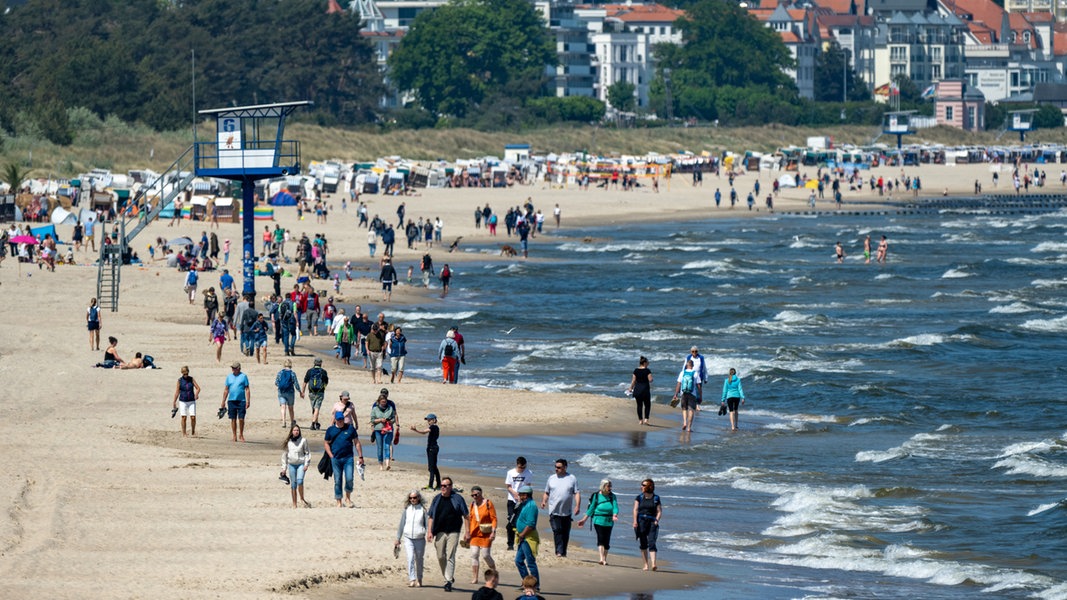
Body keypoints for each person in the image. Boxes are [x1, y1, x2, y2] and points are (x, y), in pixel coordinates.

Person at [427, 476, 469, 593]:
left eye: (446, 486)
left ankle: (448, 581)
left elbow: (466, 515)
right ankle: (448, 576)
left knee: (450, 555)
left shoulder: (458, 498)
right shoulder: (436, 499)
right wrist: (429, 531)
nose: (443, 488)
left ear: (451, 487)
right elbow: (431, 516)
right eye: (442, 486)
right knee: (440, 556)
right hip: (439, 531)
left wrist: (467, 532)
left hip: (453, 531)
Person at [324, 410, 365, 508]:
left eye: (342, 419)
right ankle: (339, 500)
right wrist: (331, 455)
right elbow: (326, 443)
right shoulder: (330, 430)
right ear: (335, 420)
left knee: (349, 478)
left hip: (348, 458)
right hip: (336, 458)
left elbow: (357, 443)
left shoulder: (350, 428)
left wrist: (360, 456)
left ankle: (348, 497)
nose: (340, 421)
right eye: (338, 420)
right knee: (338, 480)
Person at [541, 458, 580, 557]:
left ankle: (563, 552)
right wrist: (544, 501)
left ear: (565, 467)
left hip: (566, 511)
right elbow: (547, 492)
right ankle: (558, 552)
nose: (556, 469)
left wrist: (577, 505)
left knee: (565, 533)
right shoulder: (551, 478)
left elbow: (576, 493)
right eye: (555, 467)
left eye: (559, 467)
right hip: (554, 510)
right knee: (557, 530)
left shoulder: (572, 478)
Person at [576, 479, 619, 565]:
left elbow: (615, 507)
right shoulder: (596, 496)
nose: (610, 488)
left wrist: (615, 514)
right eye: (608, 486)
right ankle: (601, 558)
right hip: (598, 519)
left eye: (610, 486)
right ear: (603, 486)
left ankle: (604, 558)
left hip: (609, 520)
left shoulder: (612, 496)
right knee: (601, 538)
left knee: (607, 540)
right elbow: (591, 509)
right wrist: (584, 520)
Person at [396, 489, 429, 587]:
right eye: (410, 498)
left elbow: (427, 524)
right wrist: (398, 538)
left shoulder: (423, 510)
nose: (412, 500)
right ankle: (412, 579)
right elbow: (401, 524)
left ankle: (419, 578)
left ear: (418, 498)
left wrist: (429, 534)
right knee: (410, 558)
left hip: (420, 538)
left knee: (419, 559)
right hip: (408, 537)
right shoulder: (406, 510)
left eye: (414, 498)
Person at [465, 485, 497, 585]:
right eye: (473, 495)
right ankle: (475, 578)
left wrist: (493, 531)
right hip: (474, 534)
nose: (475, 497)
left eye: (476, 494)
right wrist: (467, 533)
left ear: (481, 493)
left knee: (486, 555)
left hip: (486, 533)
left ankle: (494, 573)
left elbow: (494, 518)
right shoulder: (472, 505)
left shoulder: (488, 503)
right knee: (474, 555)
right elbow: (469, 519)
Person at [512, 485, 540, 588]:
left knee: (530, 562)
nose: (519, 496)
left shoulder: (531, 506)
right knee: (518, 561)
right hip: (522, 537)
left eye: (520, 494)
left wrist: (522, 535)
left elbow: (531, 525)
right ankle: (527, 583)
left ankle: (535, 586)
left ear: (526, 495)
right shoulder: (524, 504)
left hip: (528, 538)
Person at [633, 478, 662, 571]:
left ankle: (654, 564)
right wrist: (635, 521)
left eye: (643, 485)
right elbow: (635, 510)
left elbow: (659, 511)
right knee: (643, 543)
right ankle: (645, 564)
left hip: (652, 522)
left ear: (649, 486)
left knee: (652, 542)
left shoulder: (656, 498)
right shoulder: (639, 497)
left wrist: (657, 520)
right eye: (642, 485)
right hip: (641, 521)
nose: (641, 486)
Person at [282, 424, 312, 508]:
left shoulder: (303, 440)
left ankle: (302, 498)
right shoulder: (288, 442)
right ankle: (294, 503)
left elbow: (307, 453)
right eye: (294, 430)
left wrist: (306, 464)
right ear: (291, 432)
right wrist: (284, 468)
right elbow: (284, 456)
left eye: (297, 430)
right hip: (291, 465)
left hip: (301, 464)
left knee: (300, 481)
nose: (296, 432)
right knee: (293, 484)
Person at [221, 361, 251, 443]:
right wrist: (223, 401)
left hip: (242, 400)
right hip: (231, 400)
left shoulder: (243, 376)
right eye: (232, 368)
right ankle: (234, 435)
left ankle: (241, 434)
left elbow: (247, 389)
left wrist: (248, 401)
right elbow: (226, 390)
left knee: (241, 418)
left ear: (238, 369)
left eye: (234, 368)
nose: (233, 370)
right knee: (233, 419)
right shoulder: (229, 377)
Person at [410, 413, 441, 491]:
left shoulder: (433, 427)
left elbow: (424, 432)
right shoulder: (435, 427)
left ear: (434, 420)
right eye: (428, 420)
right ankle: (438, 485)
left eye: (430, 420)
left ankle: (431, 486)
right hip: (433, 448)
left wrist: (415, 430)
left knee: (431, 468)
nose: (428, 421)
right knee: (434, 467)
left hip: (432, 448)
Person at [172, 366, 201, 437]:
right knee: (184, 417)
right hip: (183, 401)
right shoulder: (179, 381)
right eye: (184, 374)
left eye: (187, 373)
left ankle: (193, 431)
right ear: (182, 373)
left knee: (193, 417)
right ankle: (184, 433)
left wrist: (196, 394)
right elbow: (177, 392)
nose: (186, 375)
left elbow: (198, 388)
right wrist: (174, 402)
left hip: (191, 401)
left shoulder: (191, 379)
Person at [672, 358, 700, 432]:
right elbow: (698, 386)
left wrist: (675, 394)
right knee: (691, 410)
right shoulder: (695, 373)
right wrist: (700, 394)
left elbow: (679, 383)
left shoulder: (682, 372)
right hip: (692, 394)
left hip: (683, 393)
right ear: (692, 366)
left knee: (684, 409)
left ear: (687, 365)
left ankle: (684, 422)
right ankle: (689, 427)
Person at [371, 393, 397, 470]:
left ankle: (387, 464)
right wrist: (380, 420)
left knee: (387, 446)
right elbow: (372, 420)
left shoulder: (390, 408)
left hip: (388, 430)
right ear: (379, 402)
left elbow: (393, 418)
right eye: (382, 402)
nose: (384, 403)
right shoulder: (375, 409)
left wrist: (390, 421)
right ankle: (381, 464)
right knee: (380, 447)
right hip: (378, 430)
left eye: (385, 402)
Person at [302, 357, 329, 430]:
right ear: (321, 363)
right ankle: (313, 423)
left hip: (311, 392)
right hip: (320, 392)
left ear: (314, 363)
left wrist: (303, 392)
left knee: (314, 408)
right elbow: (326, 382)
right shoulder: (323, 372)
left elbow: (305, 382)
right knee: (317, 408)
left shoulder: (309, 371)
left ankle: (316, 423)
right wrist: (323, 387)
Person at [628, 356, 653, 425]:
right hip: (645, 389)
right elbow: (650, 380)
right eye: (647, 362)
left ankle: (640, 420)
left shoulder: (636, 370)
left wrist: (630, 388)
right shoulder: (647, 370)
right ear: (644, 363)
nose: (648, 363)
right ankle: (646, 420)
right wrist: (651, 379)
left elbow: (633, 381)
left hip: (637, 390)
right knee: (647, 405)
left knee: (639, 405)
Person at [275, 358, 300, 427]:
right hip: (290, 392)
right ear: (290, 365)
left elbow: (276, 382)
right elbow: (296, 384)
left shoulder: (280, 373)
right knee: (291, 407)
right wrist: (300, 391)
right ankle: (292, 422)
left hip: (281, 391)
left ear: (284, 365)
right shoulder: (292, 373)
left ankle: (283, 422)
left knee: (283, 407)